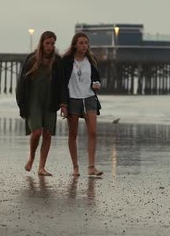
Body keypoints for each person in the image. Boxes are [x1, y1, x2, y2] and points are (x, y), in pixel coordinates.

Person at [16, 31, 61, 176]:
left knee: (47, 134)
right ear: (42, 43)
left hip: (50, 100)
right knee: (36, 132)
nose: (50, 46)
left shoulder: (57, 61)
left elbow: (63, 84)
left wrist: (63, 103)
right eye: (47, 43)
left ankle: (41, 167)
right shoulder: (32, 59)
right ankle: (31, 158)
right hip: (33, 100)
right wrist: (21, 104)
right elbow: (21, 84)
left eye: (52, 43)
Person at [59, 32, 104, 177]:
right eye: (81, 43)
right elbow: (61, 83)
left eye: (86, 43)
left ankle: (91, 167)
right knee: (73, 134)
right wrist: (63, 104)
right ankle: (75, 167)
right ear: (75, 45)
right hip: (73, 99)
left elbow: (96, 79)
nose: (84, 46)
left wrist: (97, 84)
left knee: (93, 132)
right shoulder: (66, 61)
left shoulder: (91, 60)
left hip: (89, 98)